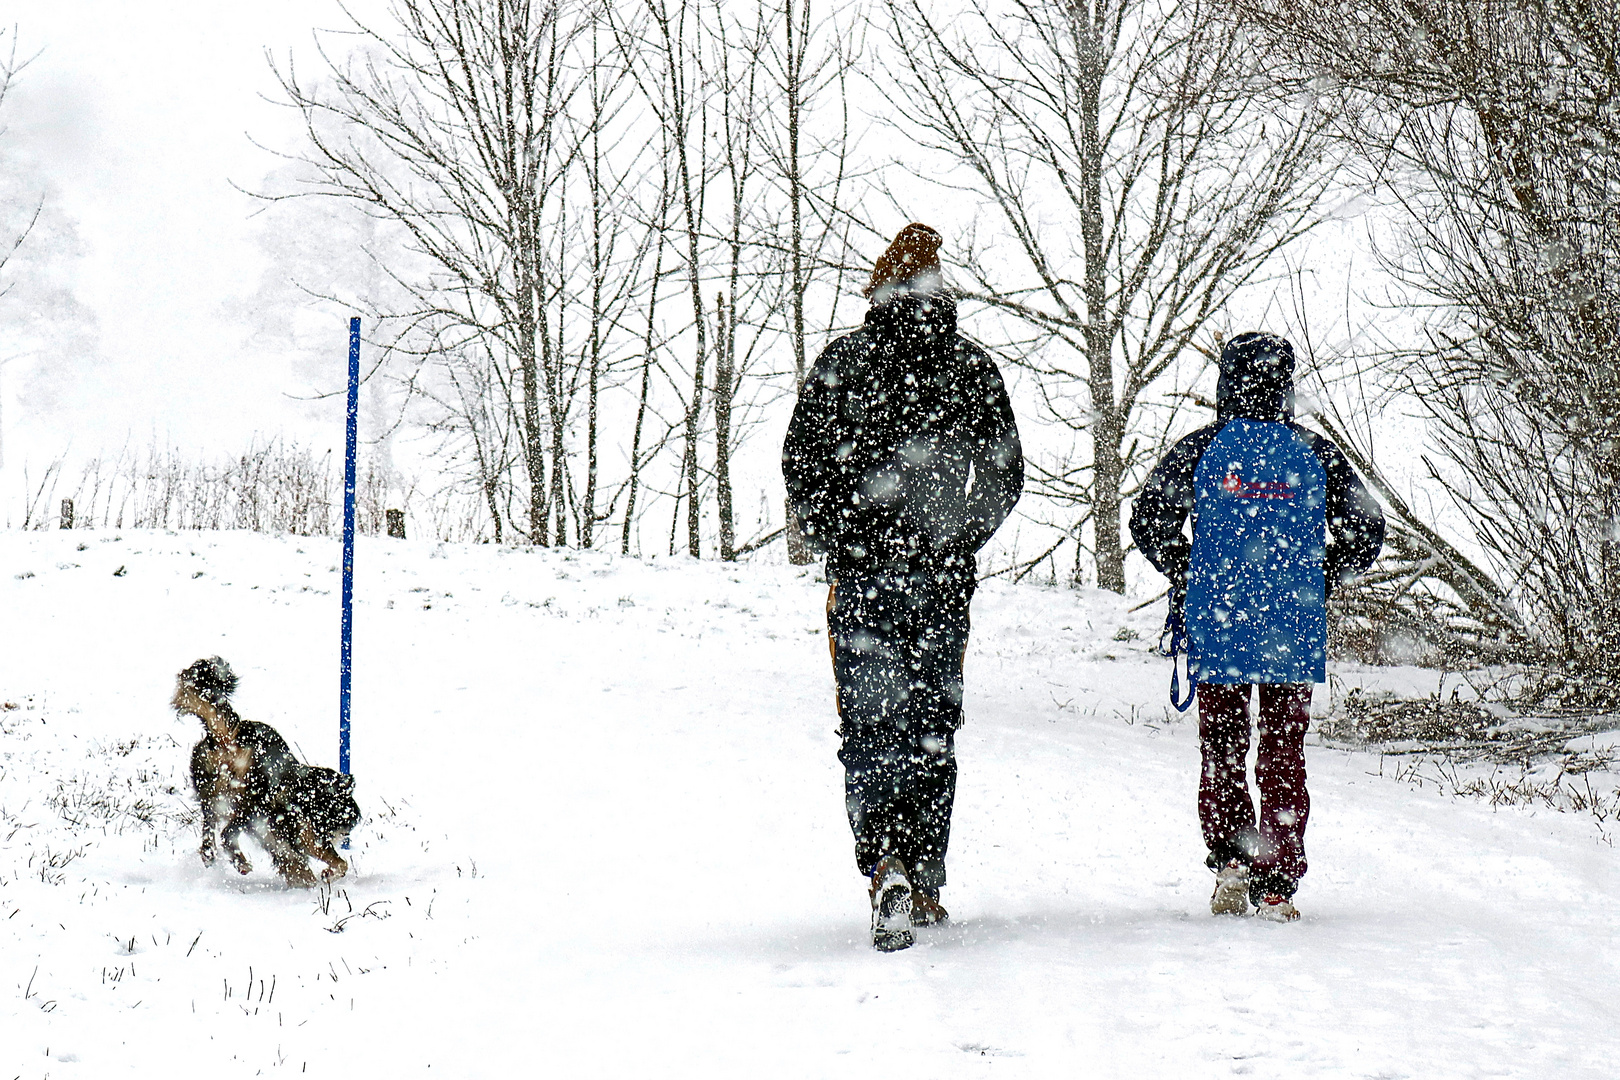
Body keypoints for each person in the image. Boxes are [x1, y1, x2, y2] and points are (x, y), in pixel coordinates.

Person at [782, 223, 1023, 952]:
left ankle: (884, 858)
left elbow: (801, 465)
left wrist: (842, 538)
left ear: (880, 290)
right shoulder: (970, 367)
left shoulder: (842, 363)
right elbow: (1007, 472)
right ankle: (922, 877)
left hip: (863, 579)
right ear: (937, 287)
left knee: (869, 720)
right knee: (930, 723)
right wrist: (960, 538)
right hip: (943, 578)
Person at [1129, 331, 1383, 922]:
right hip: (1292, 627)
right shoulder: (1315, 453)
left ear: (1227, 381)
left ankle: (1232, 861)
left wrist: (1189, 567)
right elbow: (1367, 530)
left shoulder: (1204, 448)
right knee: (1283, 752)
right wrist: (1320, 571)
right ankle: (1277, 883)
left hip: (1218, 625)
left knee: (1222, 748)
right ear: (1285, 385)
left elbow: (1147, 519)